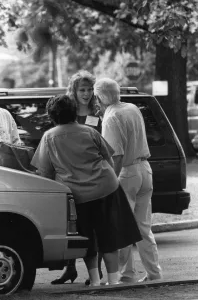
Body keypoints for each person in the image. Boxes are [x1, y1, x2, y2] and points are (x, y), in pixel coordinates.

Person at [31, 95, 141, 286]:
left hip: (78, 196)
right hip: (107, 187)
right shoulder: (89, 131)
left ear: (52, 116)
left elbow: (44, 172)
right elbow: (109, 157)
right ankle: (113, 280)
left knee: (87, 239)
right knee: (109, 235)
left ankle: (96, 280)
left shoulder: (49, 137)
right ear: (74, 111)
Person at [94, 78, 162, 283]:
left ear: (100, 97)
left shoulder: (110, 118)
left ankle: (126, 274)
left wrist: (110, 182)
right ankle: (154, 273)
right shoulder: (132, 108)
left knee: (122, 225)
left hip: (127, 173)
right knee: (144, 227)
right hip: (145, 169)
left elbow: (116, 156)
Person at [51, 70, 102, 285]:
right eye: (82, 89)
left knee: (93, 227)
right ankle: (70, 269)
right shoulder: (67, 112)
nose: (87, 93)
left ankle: (95, 273)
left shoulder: (98, 113)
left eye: (90, 89)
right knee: (71, 226)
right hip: (69, 176)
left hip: (92, 176)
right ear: (74, 90)